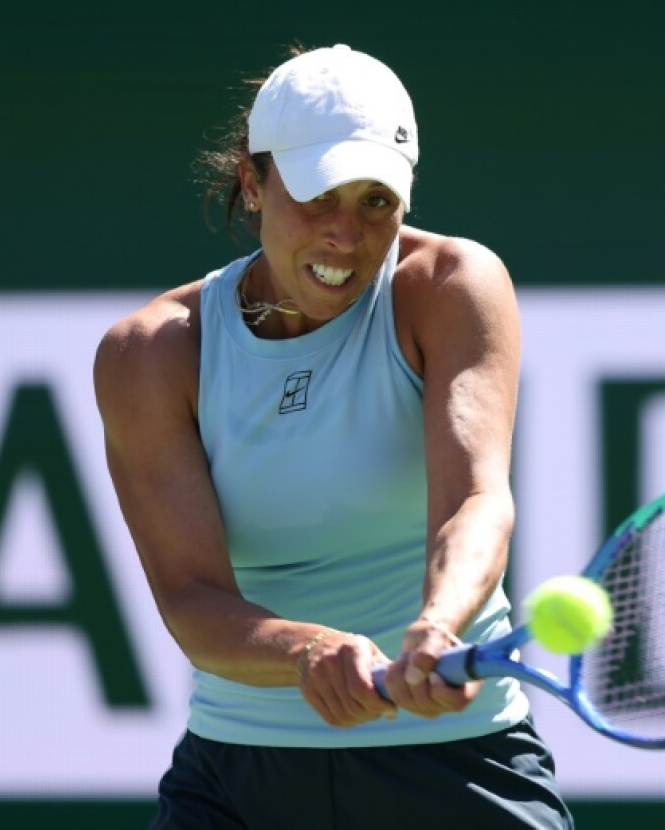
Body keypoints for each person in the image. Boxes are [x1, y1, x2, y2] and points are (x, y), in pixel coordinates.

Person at [94, 43, 573, 829]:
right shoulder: (152, 353)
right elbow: (190, 598)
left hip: (454, 758)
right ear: (254, 181)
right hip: (238, 780)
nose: (344, 237)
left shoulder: (451, 288)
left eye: (375, 202)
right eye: (317, 197)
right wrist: (307, 650)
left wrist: (438, 623)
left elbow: (477, 500)